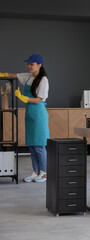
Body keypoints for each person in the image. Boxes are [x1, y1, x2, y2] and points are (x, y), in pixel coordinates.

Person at [0, 54, 50, 183]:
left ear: (39, 65)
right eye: (28, 64)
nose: (29, 66)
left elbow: (39, 99)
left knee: (39, 146)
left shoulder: (43, 80)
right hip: (30, 114)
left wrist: (23, 98)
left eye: (31, 64)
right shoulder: (27, 77)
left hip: (39, 114)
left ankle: (44, 173)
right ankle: (36, 172)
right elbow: (14, 75)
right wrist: (2, 74)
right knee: (32, 146)